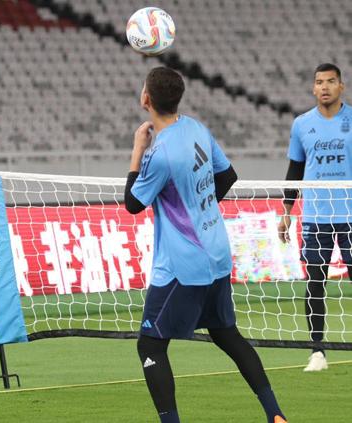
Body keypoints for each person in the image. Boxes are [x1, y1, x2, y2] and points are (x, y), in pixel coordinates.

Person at [125, 67, 287, 423]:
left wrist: (138, 150)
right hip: (216, 252)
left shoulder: (160, 153)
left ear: (146, 99)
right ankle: (275, 414)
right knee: (226, 334)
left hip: (183, 264)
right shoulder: (197, 128)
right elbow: (227, 175)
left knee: (150, 344)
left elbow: (134, 204)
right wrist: (202, 208)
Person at [278, 63, 352, 372]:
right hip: (316, 217)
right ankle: (317, 351)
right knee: (316, 283)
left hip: (350, 216)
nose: (324, 87)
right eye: (319, 82)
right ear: (313, 88)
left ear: (341, 87)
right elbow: (295, 171)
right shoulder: (301, 124)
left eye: (330, 81)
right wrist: (286, 212)